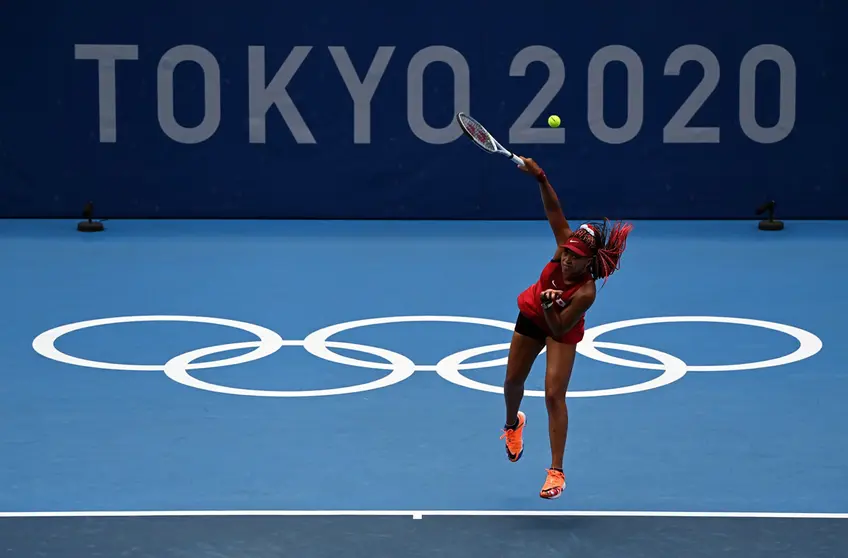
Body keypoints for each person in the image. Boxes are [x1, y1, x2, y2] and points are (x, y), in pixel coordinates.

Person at [500, 156, 633, 499]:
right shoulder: (564, 247)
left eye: (576, 255)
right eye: (568, 251)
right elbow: (553, 211)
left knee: (554, 394)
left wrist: (552, 304)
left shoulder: (586, 292)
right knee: (513, 382)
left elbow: (558, 327)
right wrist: (541, 177)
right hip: (532, 312)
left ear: (591, 260)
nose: (569, 258)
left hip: (560, 326)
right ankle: (513, 424)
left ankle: (556, 471)